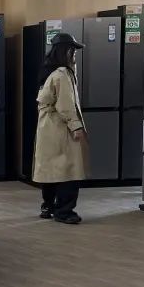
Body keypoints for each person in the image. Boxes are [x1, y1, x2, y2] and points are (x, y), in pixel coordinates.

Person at [33, 33, 88, 224]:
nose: (75, 55)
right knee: (69, 170)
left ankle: (48, 205)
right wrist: (76, 126)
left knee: (50, 168)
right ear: (67, 52)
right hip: (60, 126)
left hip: (46, 126)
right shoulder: (63, 74)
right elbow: (66, 104)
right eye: (73, 51)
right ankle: (65, 211)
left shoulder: (48, 71)